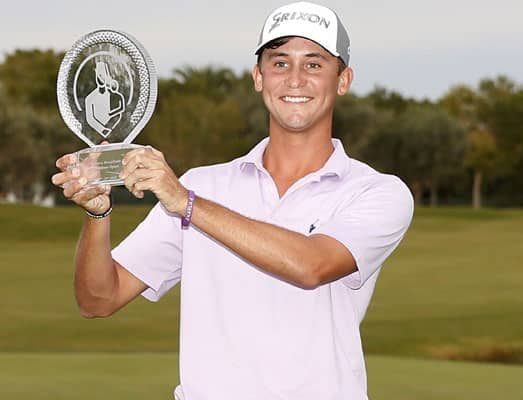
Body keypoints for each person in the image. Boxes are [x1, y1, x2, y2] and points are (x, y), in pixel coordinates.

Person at [51, 1, 413, 399]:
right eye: (279, 63)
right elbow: (98, 298)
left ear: (342, 80)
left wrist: (187, 204)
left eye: (314, 64)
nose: (295, 80)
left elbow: (312, 265)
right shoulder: (203, 185)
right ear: (259, 77)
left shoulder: (377, 192)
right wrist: (96, 213)